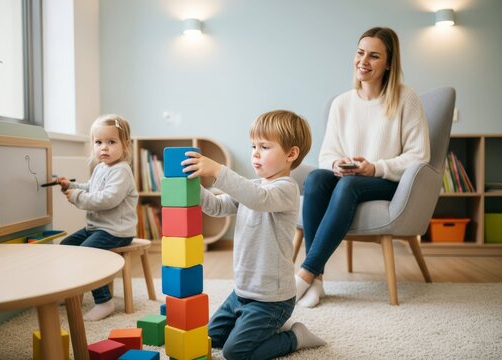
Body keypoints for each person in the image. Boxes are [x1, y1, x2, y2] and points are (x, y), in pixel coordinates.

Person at [295, 27, 430, 308]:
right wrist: (338, 165)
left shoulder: (407, 99)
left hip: (389, 181)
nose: (363, 61)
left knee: (349, 184)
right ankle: (317, 279)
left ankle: (305, 273)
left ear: (389, 63)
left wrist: (375, 168)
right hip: (351, 178)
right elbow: (327, 155)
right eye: (360, 53)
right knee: (317, 179)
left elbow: (419, 156)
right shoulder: (341, 103)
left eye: (374, 56)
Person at [181, 110, 325, 359]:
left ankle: (295, 336)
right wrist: (190, 185)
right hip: (241, 293)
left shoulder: (286, 189)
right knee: (210, 337)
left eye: (265, 147)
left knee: (235, 353)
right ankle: (258, 327)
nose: (255, 153)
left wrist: (218, 170)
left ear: (291, 154)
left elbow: (258, 199)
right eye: (253, 146)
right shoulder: (254, 187)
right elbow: (217, 206)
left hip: (272, 300)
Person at [56, 114, 138, 321]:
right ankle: (72, 291)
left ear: (125, 145)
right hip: (97, 227)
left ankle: (104, 301)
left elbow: (106, 199)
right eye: (98, 142)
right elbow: (90, 188)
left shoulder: (122, 171)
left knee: (89, 253)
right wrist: (72, 186)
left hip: (117, 230)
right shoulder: (101, 168)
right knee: (66, 245)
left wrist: (77, 198)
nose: (104, 147)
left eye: (111, 142)